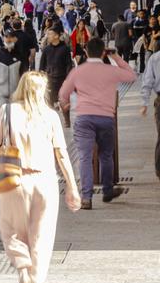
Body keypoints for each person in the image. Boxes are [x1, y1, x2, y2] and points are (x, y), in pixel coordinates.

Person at [0, 72, 80, 283]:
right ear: (43, 91)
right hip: (45, 182)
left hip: (15, 181)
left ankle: (23, 270)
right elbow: (61, 154)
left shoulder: (7, 112)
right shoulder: (51, 116)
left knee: (10, 231)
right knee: (42, 237)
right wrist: (72, 186)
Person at [59, 38, 135, 209]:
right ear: (103, 52)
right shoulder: (110, 70)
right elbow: (132, 76)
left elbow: (63, 93)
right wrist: (116, 57)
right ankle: (107, 191)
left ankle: (86, 197)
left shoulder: (78, 72)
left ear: (85, 52)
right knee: (106, 155)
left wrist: (65, 103)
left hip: (84, 118)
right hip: (106, 118)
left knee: (84, 157)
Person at [39, 26, 73, 125]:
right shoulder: (46, 49)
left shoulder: (65, 49)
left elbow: (68, 64)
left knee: (64, 100)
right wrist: (41, 75)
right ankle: (50, 121)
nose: (48, 36)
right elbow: (42, 64)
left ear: (57, 36)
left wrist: (68, 79)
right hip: (49, 78)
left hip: (62, 79)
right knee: (48, 101)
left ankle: (67, 120)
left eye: (50, 34)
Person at [139, 46, 160, 180]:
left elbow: (147, 82)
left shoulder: (155, 58)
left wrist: (145, 103)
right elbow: (147, 82)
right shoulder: (155, 58)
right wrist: (144, 102)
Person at [0, 30, 22, 107]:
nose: (8, 39)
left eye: (11, 37)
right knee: (2, 117)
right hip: (0, 94)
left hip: (16, 95)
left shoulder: (20, 54)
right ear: (3, 38)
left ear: (15, 39)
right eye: (6, 37)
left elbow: (24, 74)